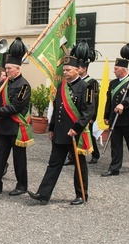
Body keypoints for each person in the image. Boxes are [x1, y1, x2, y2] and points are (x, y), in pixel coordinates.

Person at [29, 56, 92, 205]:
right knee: (53, 164)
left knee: (79, 165)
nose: (65, 72)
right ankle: (43, 194)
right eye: (64, 70)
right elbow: (57, 109)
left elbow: (88, 112)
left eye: (68, 69)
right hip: (60, 133)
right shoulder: (61, 85)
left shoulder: (85, 87)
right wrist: (51, 128)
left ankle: (81, 194)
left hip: (75, 134)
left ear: (78, 70)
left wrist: (76, 129)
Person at [0, 37, 32, 196]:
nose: (7, 70)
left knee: (19, 159)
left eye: (10, 68)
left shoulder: (23, 85)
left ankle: (22, 185)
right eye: (6, 68)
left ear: (18, 68)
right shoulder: (5, 83)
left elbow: (15, 107)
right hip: (2, 127)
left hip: (16, 127)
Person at [102, 44, 129, 176]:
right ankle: (114, 168)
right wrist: (106, 115)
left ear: (123, 69)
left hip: (127, 118)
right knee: (116, 144)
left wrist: (123, 104)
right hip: (115, 118)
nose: (113, 71)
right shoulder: (113, 83)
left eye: (116, 68)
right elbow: (109, 99)